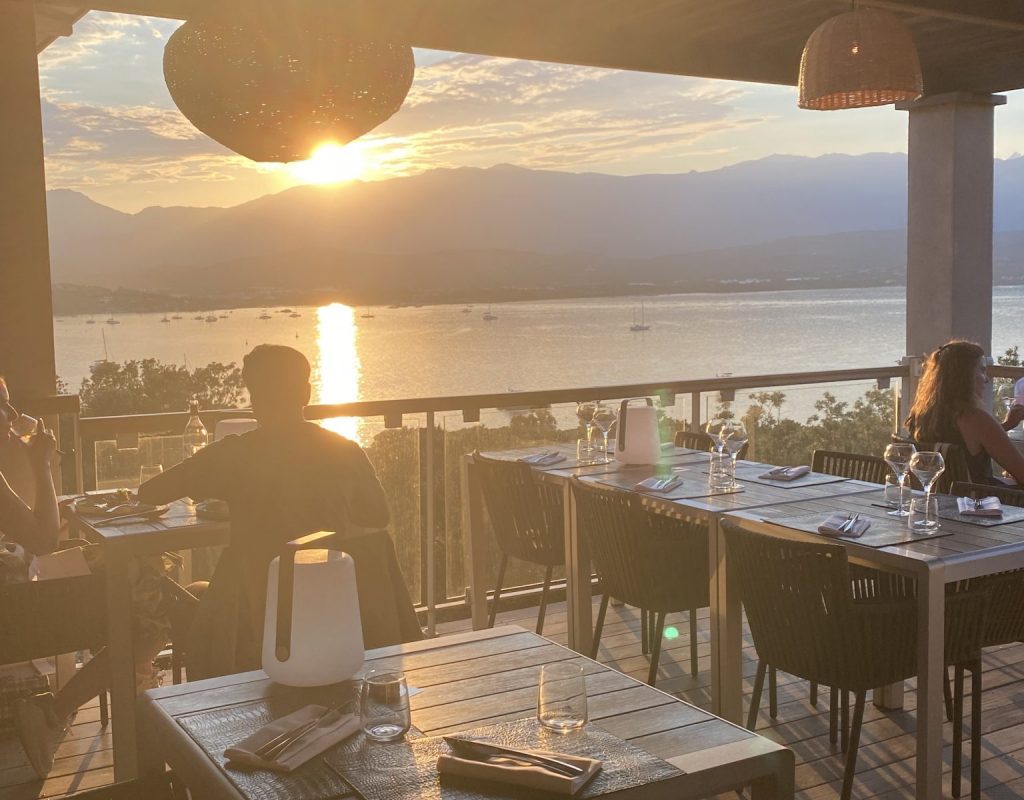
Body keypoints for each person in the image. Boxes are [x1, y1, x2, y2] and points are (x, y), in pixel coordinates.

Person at [139, 345, 393, 680]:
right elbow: (377, 515)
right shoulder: (344, 450)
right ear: (305, 392)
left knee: (193, 592)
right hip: (333, 613)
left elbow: (151, 492)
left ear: (253, 396)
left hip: (250, 621)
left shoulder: (235, 454)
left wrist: (236, 501)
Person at [0, 375, 173, 779]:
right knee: (145, 593)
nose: (9, 415)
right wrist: (41, 463)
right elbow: (42, 540)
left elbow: (30, 533)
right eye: (0, 405)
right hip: (13, 616)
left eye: (9, 404)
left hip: (15, 593)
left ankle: (67, 705)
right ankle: (127, 703)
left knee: (137, 591)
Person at [905, 340, 1024, 486]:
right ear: (964, 377)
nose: (986, 379)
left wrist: (1006, 425)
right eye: (981, 370)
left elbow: (965, 439)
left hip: (937, 500)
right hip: (979, 504)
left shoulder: (920, 416)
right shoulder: (976, 419)